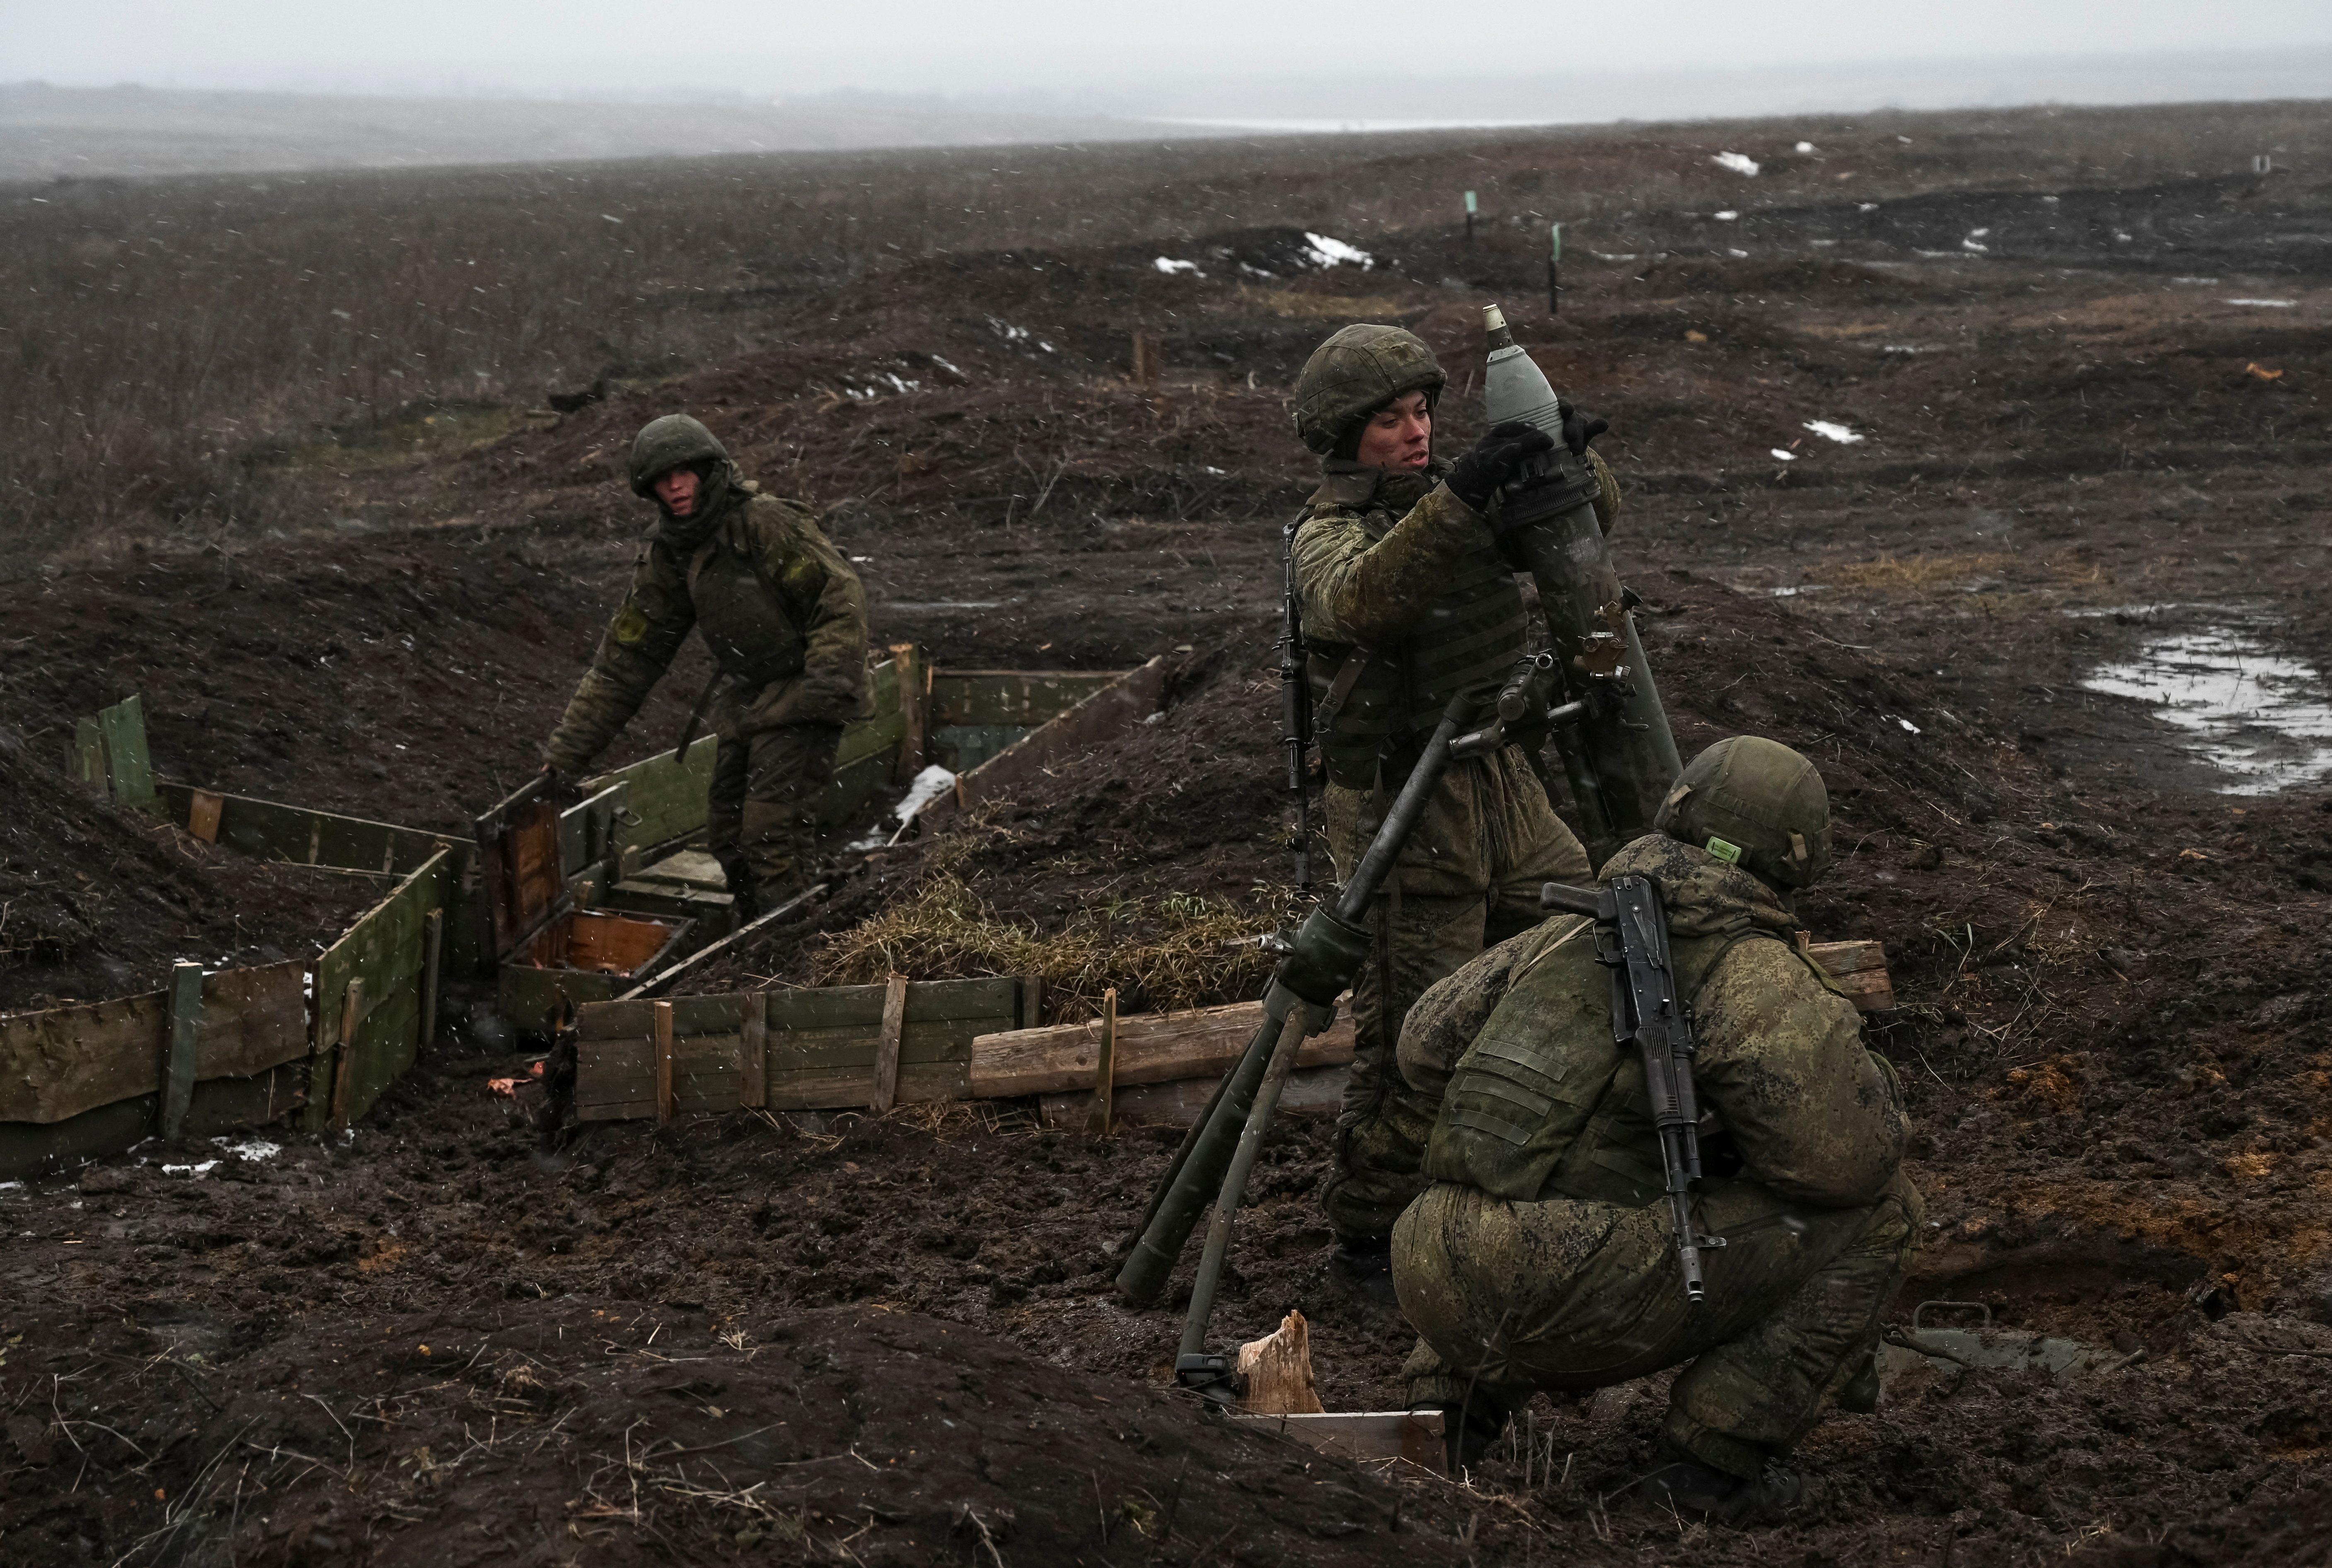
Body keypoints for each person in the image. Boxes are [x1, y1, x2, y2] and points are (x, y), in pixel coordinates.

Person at [1386, 736, 1923, 1522]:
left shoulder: (1570, 924)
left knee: (1537, 1181)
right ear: (1796, 855)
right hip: (1564, 1290)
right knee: (1885, 1212)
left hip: (1428, 1260)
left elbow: (1421, 1045)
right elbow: (1843, 1162)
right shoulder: (1751, 968)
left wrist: (1567, 1109)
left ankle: (1444, 1416)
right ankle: (1712, 1464)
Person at [1289, 322, 1621, 1293]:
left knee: (1584, 939)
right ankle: (1371, 1241)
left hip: (1498, 779)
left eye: (1424, 413)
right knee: (1411, 1031)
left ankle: (1528, 1160)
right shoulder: (1328, 533)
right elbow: (1360, 600)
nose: (1415, 432)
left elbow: (1591, 524)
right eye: (1389, 420)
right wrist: (1468, 497)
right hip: (1406, 802)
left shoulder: (1453, 506)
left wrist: (1572, 458)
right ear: (1346, 436)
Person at [540, 414, 871, 916]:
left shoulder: (766, 524)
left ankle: (801, 946)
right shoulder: (671, 555)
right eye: (661, 478)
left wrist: (823, 689)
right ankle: (759, 932)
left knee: (770, 837)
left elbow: (838, 596)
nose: (674, 486)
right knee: (728, 835)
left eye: (684, 472)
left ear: (709, 469)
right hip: (749, 699)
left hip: (804, 690)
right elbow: (626, 660)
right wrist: (565, 758)